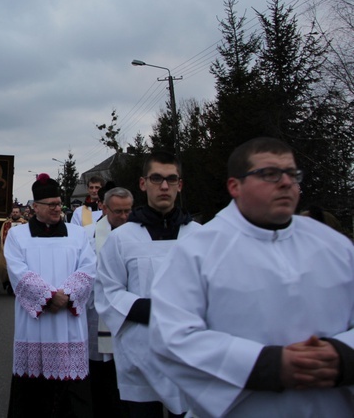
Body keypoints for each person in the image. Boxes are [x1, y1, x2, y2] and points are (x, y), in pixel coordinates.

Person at [150, 137, 354, 417]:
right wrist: (269, 365)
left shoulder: (336, 246)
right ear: (235, 186)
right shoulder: (198, 251)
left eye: (292, 174)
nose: (285, 183)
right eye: (269, 174)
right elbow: (171, 337)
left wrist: (342, 356)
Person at [97, 151, 201, 417]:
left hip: (191, 354)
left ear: (180, 184)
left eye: (171, 179)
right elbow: (107, 291)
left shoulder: (201, 237)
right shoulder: (122, 239)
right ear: (143, 184)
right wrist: (152, 310)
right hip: (140, 354)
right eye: (156, 178)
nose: (164, 186)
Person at [5, 173, 96, 417]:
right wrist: (48, 296)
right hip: (35, 326)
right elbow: (18, 272)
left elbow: (88, 268)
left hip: (70, 325)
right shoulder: (17, 236)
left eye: (59, 203)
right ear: (35, 207)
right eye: (52, 204)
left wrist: (66, 294)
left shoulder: (78, 235)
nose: (58, 208)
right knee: (34, 400)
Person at [85, 186, 133, 418]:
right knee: (102, 374)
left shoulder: (138, 235)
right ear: (103, 208)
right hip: (98, 316)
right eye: (118, 212)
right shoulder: (88, 234)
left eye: (128, 212)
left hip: (129, 315)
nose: (124, 217)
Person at [0, 206, 27, 295]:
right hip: (8, 249)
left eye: (17, 212)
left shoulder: (25, 223)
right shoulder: (6, 224)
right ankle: (9, 285)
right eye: (13, 212)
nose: (15, 214)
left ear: (20, 213)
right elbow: (2, 236)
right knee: (8, 268)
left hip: (20, 250)